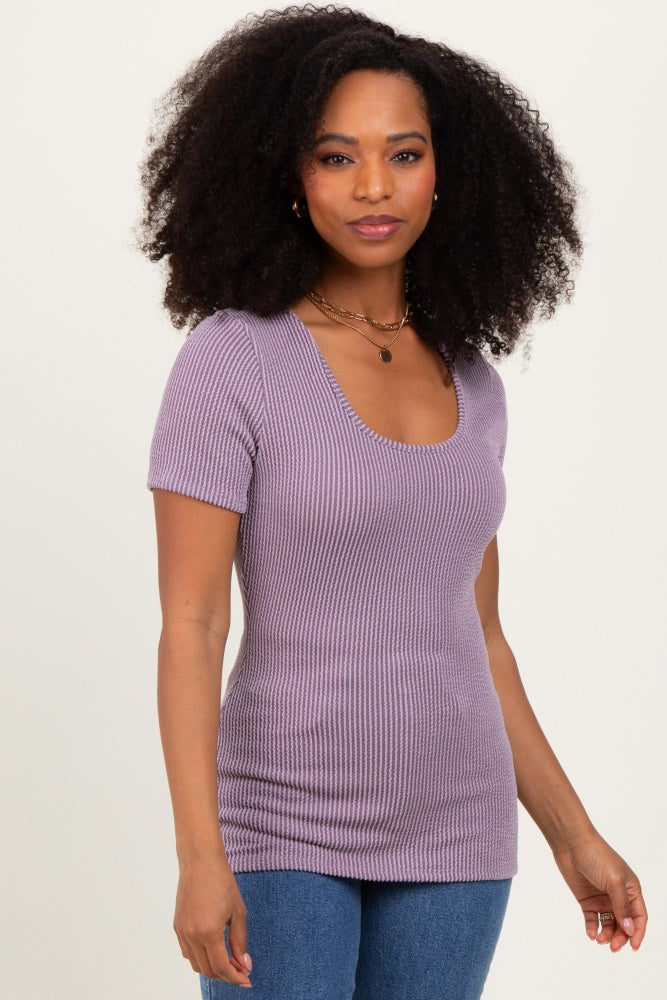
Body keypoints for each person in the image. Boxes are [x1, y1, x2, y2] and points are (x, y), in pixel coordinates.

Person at [140, 6, 647, 997]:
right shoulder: (233, 360)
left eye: (403, 154)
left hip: (458, 833)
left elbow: (479, 635)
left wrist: (572, 834)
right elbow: (193, 624)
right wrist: (201, 855)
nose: (373, 186)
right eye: (336, 157)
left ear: (445, 173)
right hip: (281, 823)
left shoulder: (473, 382)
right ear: (288, 178)